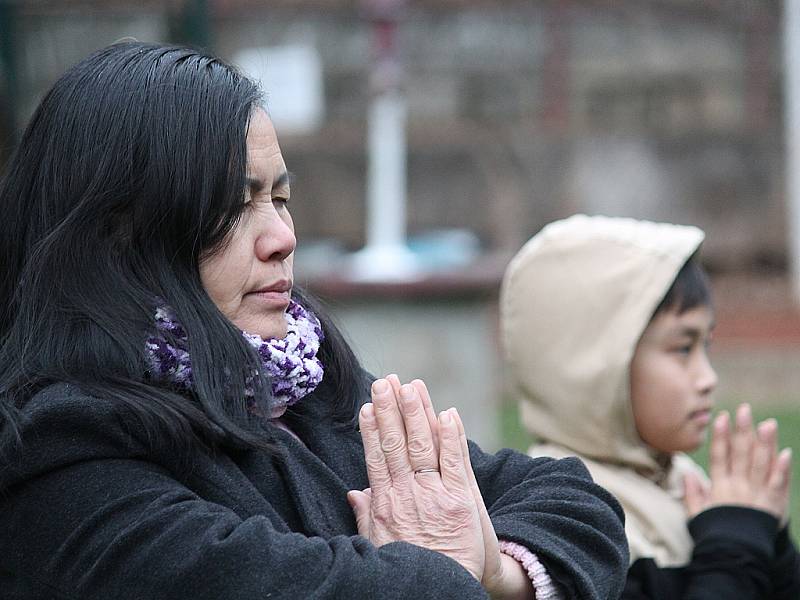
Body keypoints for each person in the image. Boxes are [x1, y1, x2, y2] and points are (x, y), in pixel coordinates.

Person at [0, 43, 628, 599]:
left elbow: (575, 504)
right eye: (230, 204)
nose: (282, 237)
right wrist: (442, 566)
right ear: (120, 235)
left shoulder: (305, 388)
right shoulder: (61, 455)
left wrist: (499, 572)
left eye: (279, 197)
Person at [499, 213, 800, 599]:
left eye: (705, 346)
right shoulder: (568, 523)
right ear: (596, 364)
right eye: (682, 348)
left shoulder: (681, 484)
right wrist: (734, 545)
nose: (708, 378)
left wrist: (765, 537)